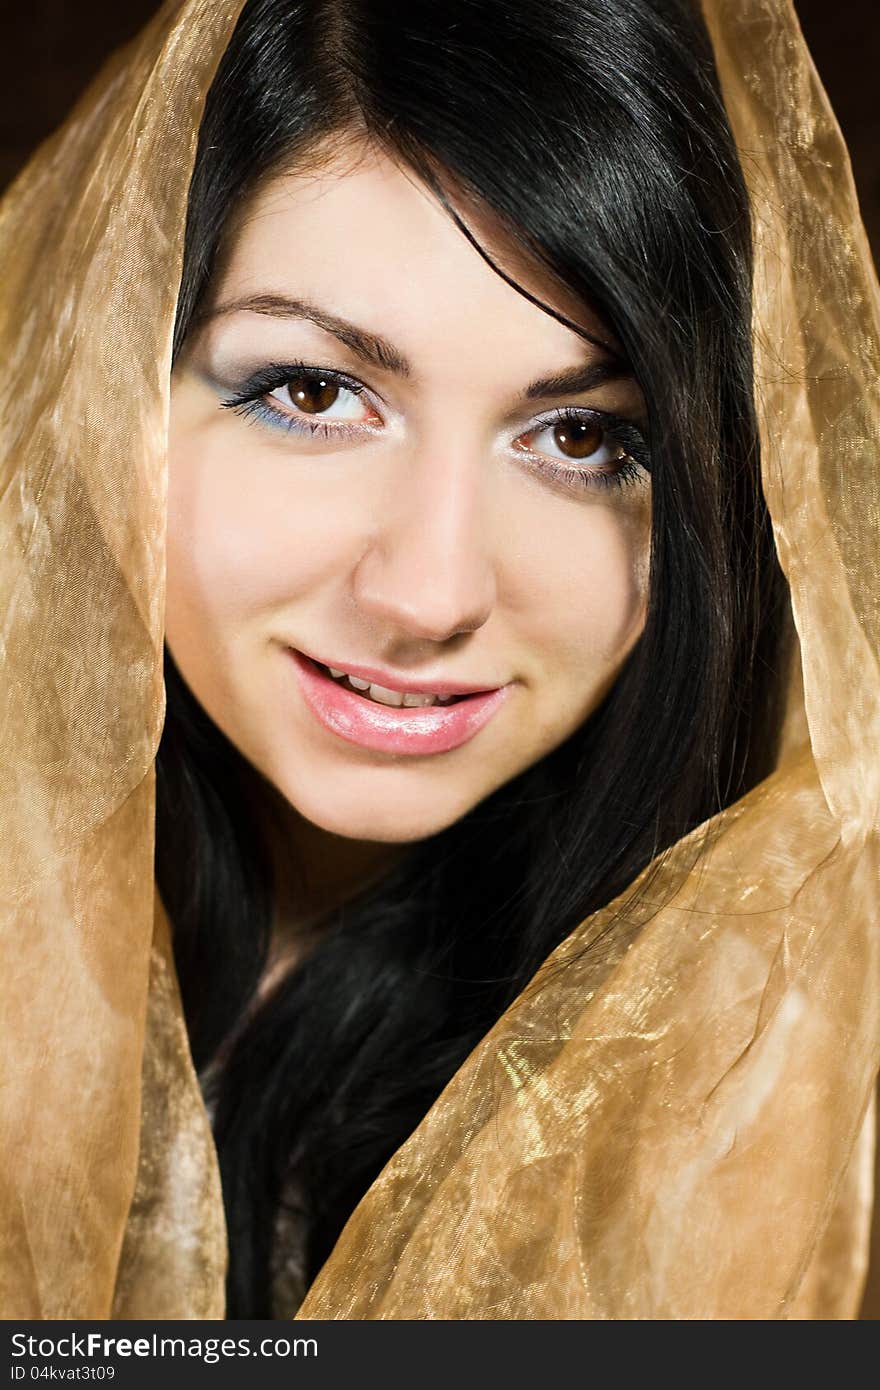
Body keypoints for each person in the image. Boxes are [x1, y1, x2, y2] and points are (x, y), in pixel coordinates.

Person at [0, 0, 877, 1321]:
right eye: (312, 391)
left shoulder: (771, 1065)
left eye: (581, 436)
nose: (432, 591)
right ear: (109, 382)